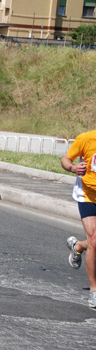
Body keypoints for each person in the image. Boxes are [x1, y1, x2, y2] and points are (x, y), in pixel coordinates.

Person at [61, 131, 96, 308]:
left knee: (92, 242)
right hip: (87, 194)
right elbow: (65, 159)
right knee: (95, 240)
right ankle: (94, 291)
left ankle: (78, 246)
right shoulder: (86, 138)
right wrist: (73, 168)